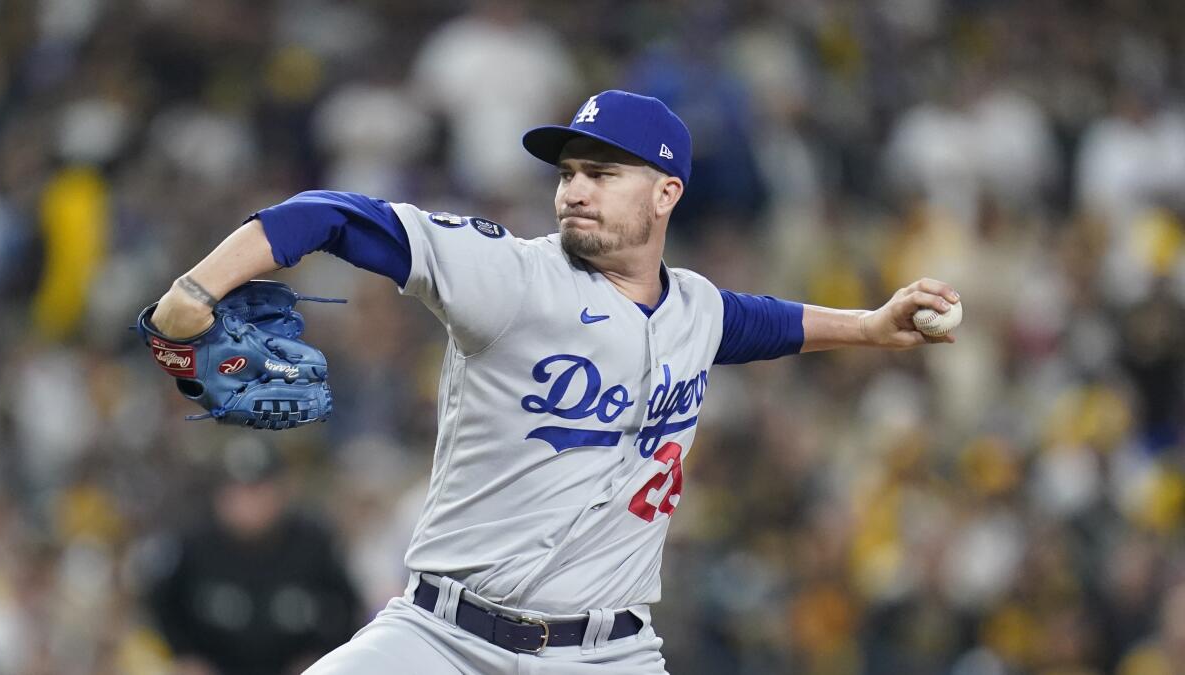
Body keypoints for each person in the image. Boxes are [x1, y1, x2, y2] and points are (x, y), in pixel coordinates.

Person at [147, 90, 959, 674]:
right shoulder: (509, 275)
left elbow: (755, 322)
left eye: (603, 172)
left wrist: (866, 325)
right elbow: (334, 215)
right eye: (569, 170)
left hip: (610, 652)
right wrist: (195, 289)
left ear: (666, 192)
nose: (574, 188)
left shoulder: (698, 310)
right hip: (441, 642)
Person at [145, 437, 363, 675]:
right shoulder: (193, 545)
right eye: (237, 492)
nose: (249, 503)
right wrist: (184, 654)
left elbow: (348, 608)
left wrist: (324, 656)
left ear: (282, 491)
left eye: (259, 490)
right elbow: (160, 607)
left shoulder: (315, 544)